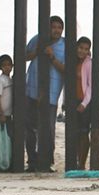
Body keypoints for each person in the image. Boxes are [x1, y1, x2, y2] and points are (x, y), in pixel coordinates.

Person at [24, 16, 67, 173]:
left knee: (48, 129)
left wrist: (51, 56)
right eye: (53, 27)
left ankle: (47, 161)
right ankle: (32, 161)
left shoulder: (65, 45)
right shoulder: (38, 39)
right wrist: (37, 51)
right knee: (29, 128)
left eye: (59, 27)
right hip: (31, 90)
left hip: (51, 93)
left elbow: (67, 70)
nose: (56, 30)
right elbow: (24, 56)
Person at [72, 37, 96, 170]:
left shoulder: (89, 64)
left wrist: (84, 103)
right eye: (81, 48)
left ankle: (82, 163)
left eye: (86, 49)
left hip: (84, 103)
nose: (83, 51)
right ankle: (76, 161)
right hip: (73, 102)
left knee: (83, 133)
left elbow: (90, 86)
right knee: (75, 133)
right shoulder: (73, 62)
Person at [0, 55, 14, 171]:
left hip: (9, 114)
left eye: (9, 65)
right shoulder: (1, 80)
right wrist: (1, 113)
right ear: (0, 67)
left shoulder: (10, 79)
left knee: (9, 139)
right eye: (4, 65)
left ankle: (8, 162)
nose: (7, 67)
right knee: (3, 139)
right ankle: (1, 163)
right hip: (3, 115)